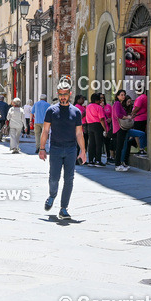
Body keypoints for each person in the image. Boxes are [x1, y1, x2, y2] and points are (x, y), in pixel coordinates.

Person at [40, 77, 87, 219]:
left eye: (65, 94)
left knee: (69, 179)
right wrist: (42, 148)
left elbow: (79, 133)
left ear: (70, 94)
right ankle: (52, 195)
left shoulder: (76, 112)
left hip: (71, 149)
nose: (63, 97)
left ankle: (64, 208)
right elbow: (45, 131)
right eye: (60, 94)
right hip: (55, 148)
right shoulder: (51, 110)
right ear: (58, 94)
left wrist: (83, 151)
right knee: (54, 178)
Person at [121, 95, 147, 164]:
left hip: (129, 127)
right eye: (128, 102)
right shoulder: (122, 108)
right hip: (124, 128)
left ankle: (140, 148)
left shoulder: (130, 107)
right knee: (125, 144)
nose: (129, 103)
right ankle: (122, 161)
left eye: (130, 102)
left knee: (141, 134)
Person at [85, 92, 106, 167]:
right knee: (98, 143)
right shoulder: (99, 107)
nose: (101, 100)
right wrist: (105, 129)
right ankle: (98, 160)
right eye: (99, 99)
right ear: (97, 100)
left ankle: (90, 160)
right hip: (97, 125)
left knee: (91, 143)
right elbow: (101, 119)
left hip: (90, 125)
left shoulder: (88, 106)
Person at [110, 89, 130, 171]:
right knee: (119, 147)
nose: (123, 96)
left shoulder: (118, 104)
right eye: (121, 95)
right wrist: (127, 117)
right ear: (117, 96)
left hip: (119, 127)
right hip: (119, 127)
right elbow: (118, 115)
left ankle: (119, 164)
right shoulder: (117, 103)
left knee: (120, 146)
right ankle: (117, 165)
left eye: (124, 95)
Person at [132, 88, 148, 154]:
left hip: (139, 118)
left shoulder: (140, 98)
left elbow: (137, 107)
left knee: (137, 134)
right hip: (144, 117)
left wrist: (132, 113)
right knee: (143, 133)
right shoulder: (146, 97)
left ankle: (141, 149)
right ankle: (143, 148)